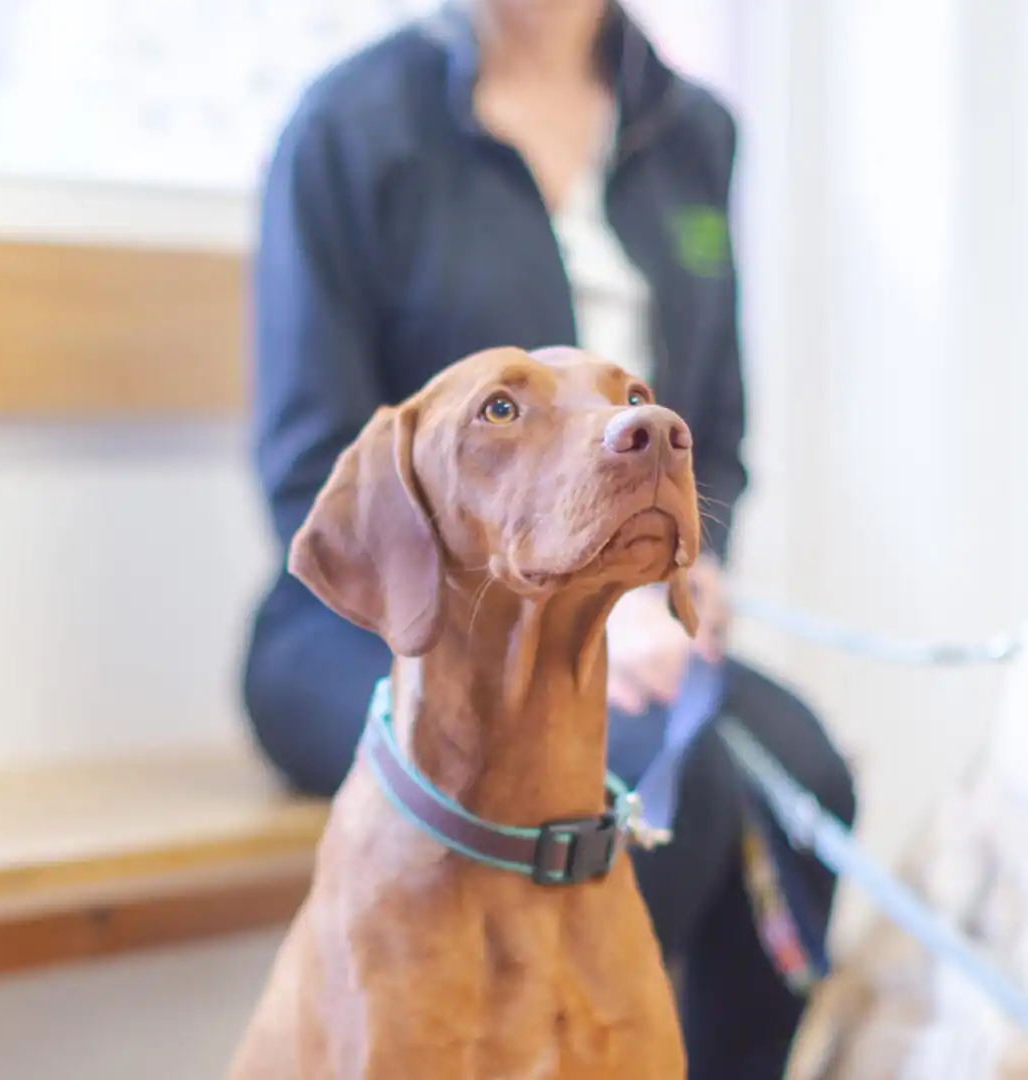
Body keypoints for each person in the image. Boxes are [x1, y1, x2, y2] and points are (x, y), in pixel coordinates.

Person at [239, 2, 857, 1077]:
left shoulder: (694, 129)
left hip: (610, 609)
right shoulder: (353, 125)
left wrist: (671, 574)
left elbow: (709, 430)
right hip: (393, 604)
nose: (636, 420)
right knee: (661, 776)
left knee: (805, 772)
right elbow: (309, 461)